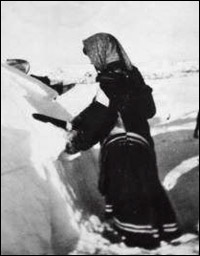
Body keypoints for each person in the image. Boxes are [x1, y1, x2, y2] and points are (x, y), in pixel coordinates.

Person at [65, 33, 180, 249]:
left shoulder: (110, 78)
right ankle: (163, 230)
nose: (90, 60)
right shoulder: (131, 73)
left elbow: (102, 115)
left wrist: (79, 140)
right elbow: (148, 109)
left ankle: (139, 239)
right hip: (140, 138)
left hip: (122, 142)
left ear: (101, 52)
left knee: (127, 189)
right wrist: (81, 118)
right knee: (145, 184)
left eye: (91, 54)